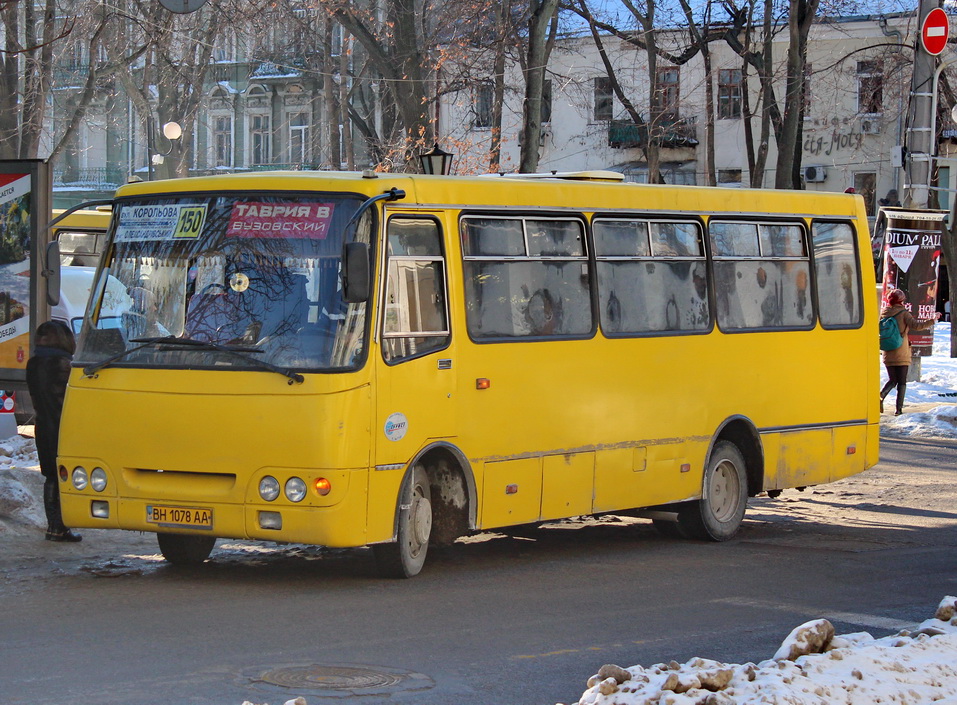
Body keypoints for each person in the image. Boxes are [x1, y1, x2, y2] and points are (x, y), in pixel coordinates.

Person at [26, 320, 81, 542]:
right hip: (63, 428)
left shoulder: (33, 363)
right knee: (64, 475)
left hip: (43, 427)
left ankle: (54, 527)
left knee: (51, 476)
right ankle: (60, 528)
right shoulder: (64, 365)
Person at [879, 289, 941, 416]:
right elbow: (917, 326)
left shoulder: (884, 313)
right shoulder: (903, 313)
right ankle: (898, 410)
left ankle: (881, 395)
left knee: (892, 379)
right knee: (901, 381)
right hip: (901, 351)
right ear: (901, 300)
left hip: (887, 351)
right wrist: (933, 320)